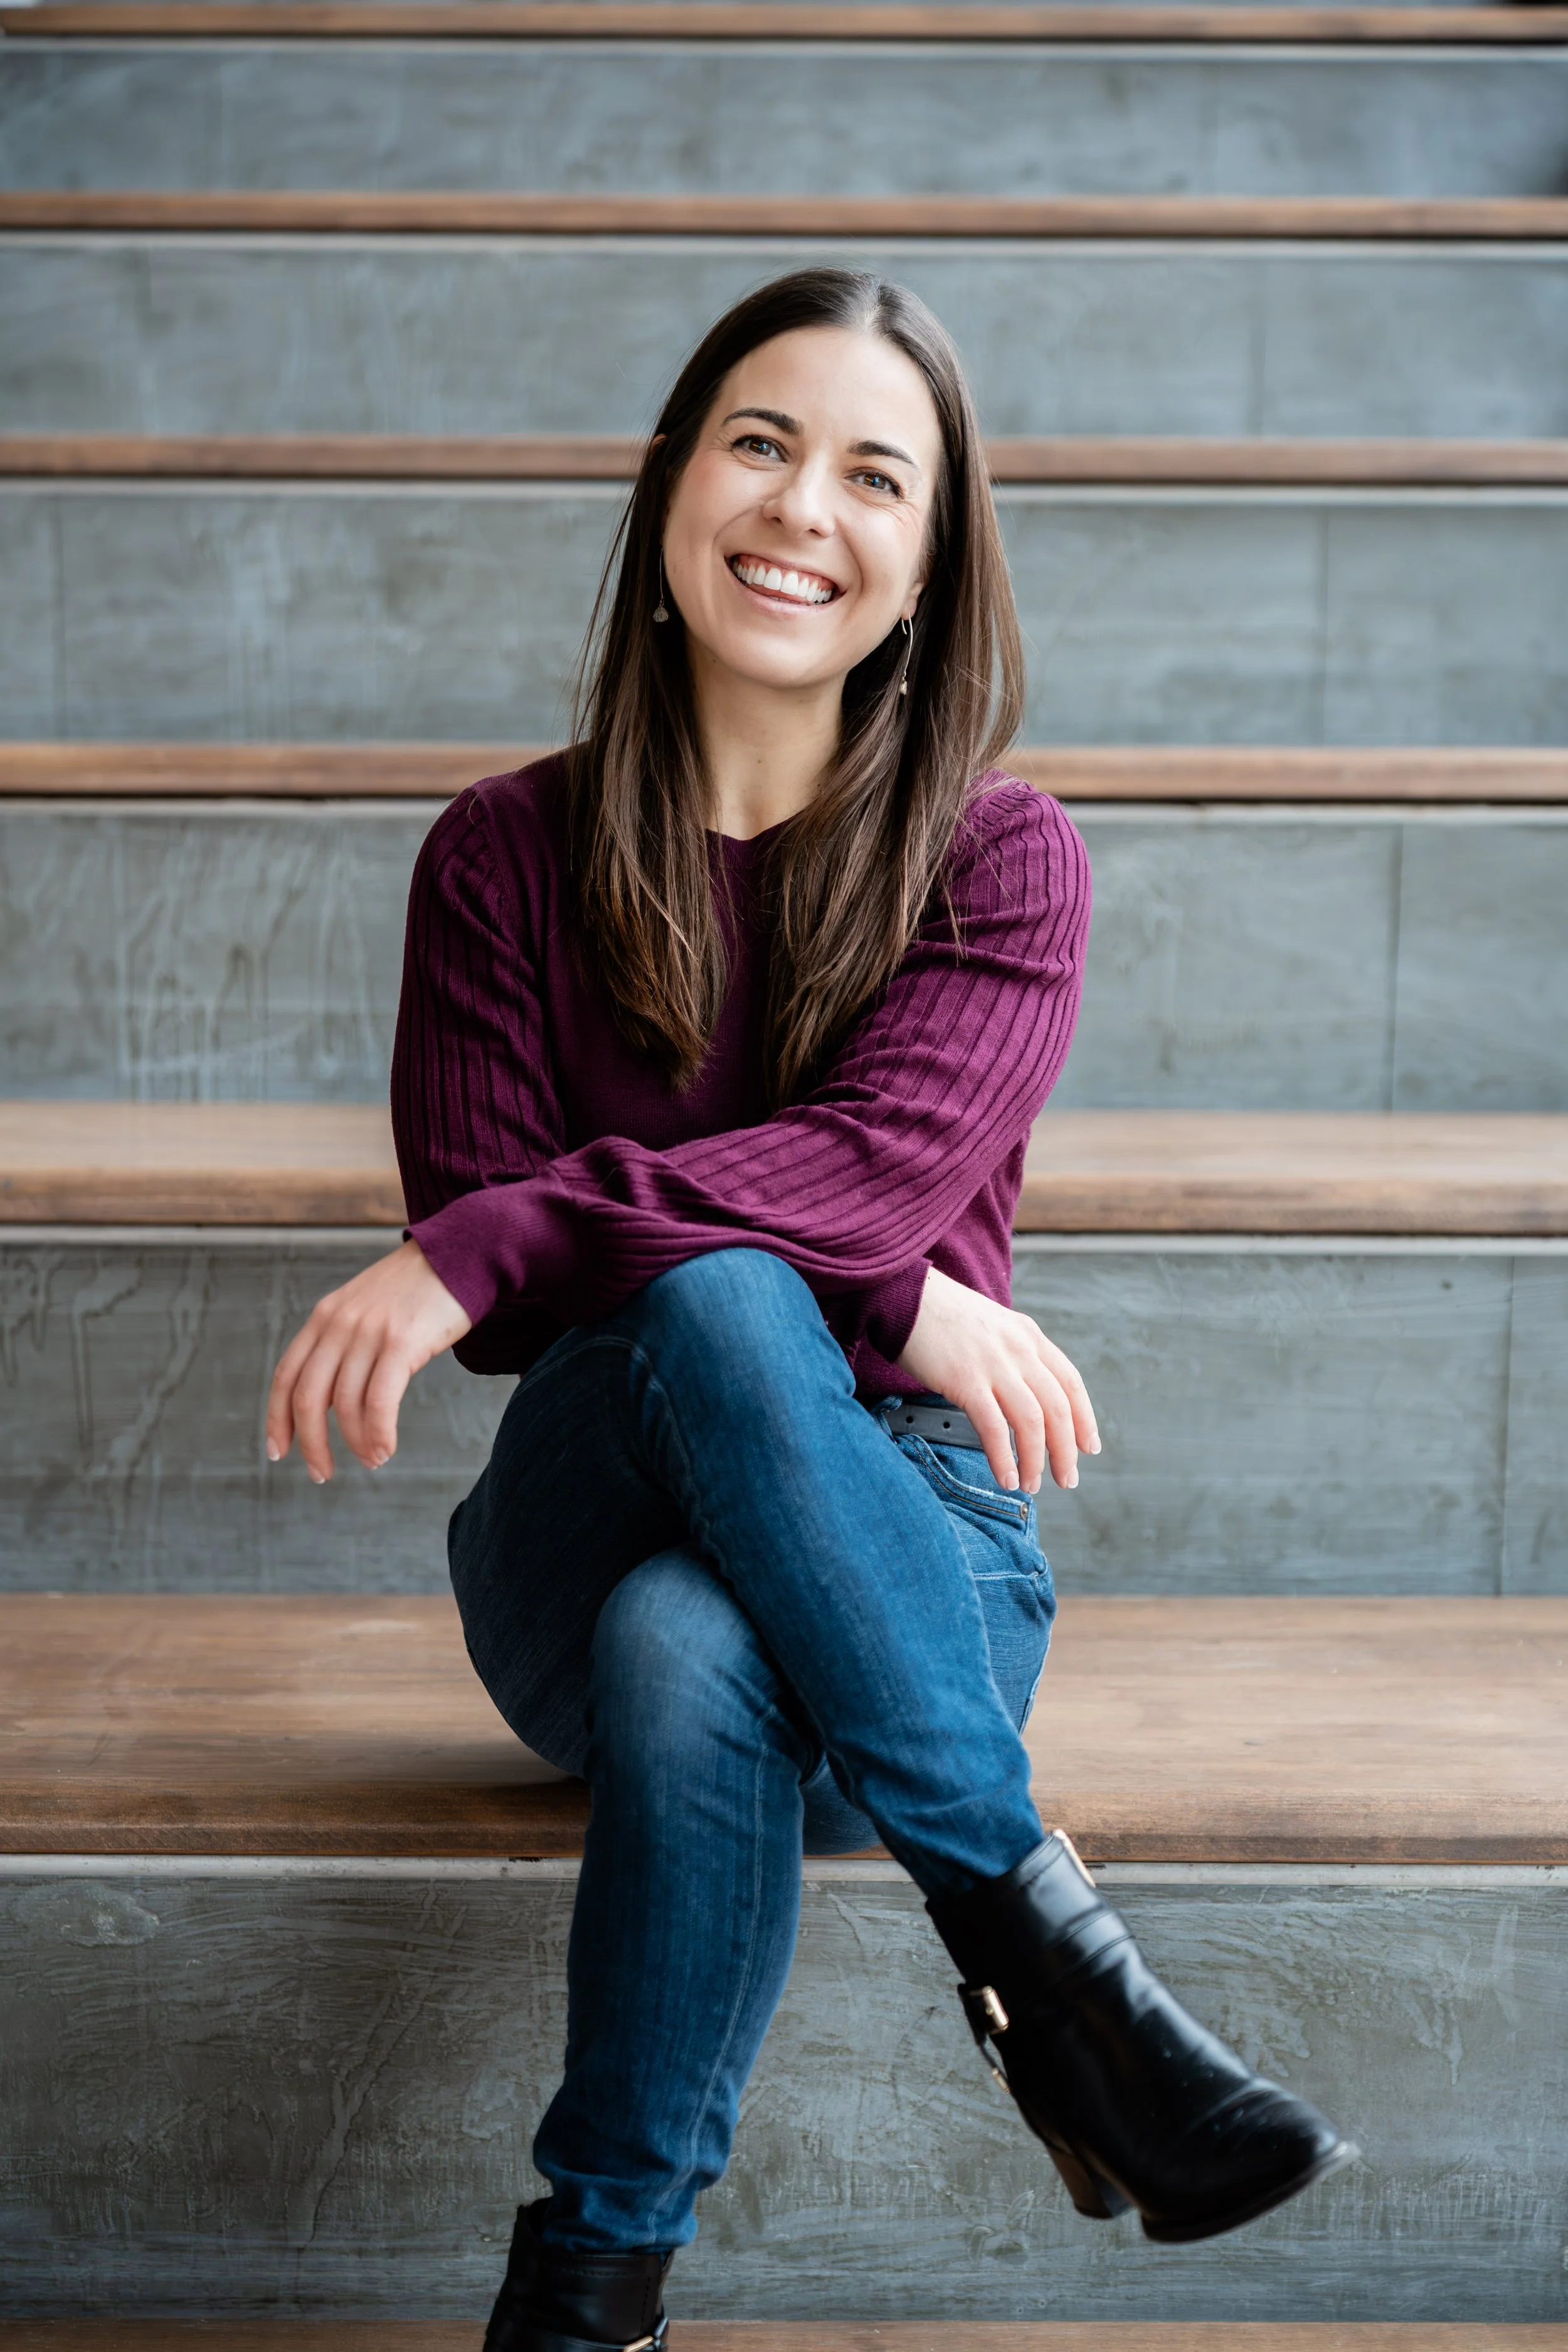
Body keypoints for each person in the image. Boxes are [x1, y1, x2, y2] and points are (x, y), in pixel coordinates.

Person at [265, 268, 1352, 2349]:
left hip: (911, 1557)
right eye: (760, 443)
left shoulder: (1000, 859)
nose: (801, 507)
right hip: (578, 1533)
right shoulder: (499, 856)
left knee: (698, 1635)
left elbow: (810, 1183)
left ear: (927, 565)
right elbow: (531, 1304)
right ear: (672, 482)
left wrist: (574, 1231)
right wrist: (897, 1296)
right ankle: (1050, 1964)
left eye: (874, 474)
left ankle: (586, 2292)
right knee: (710, 1321)